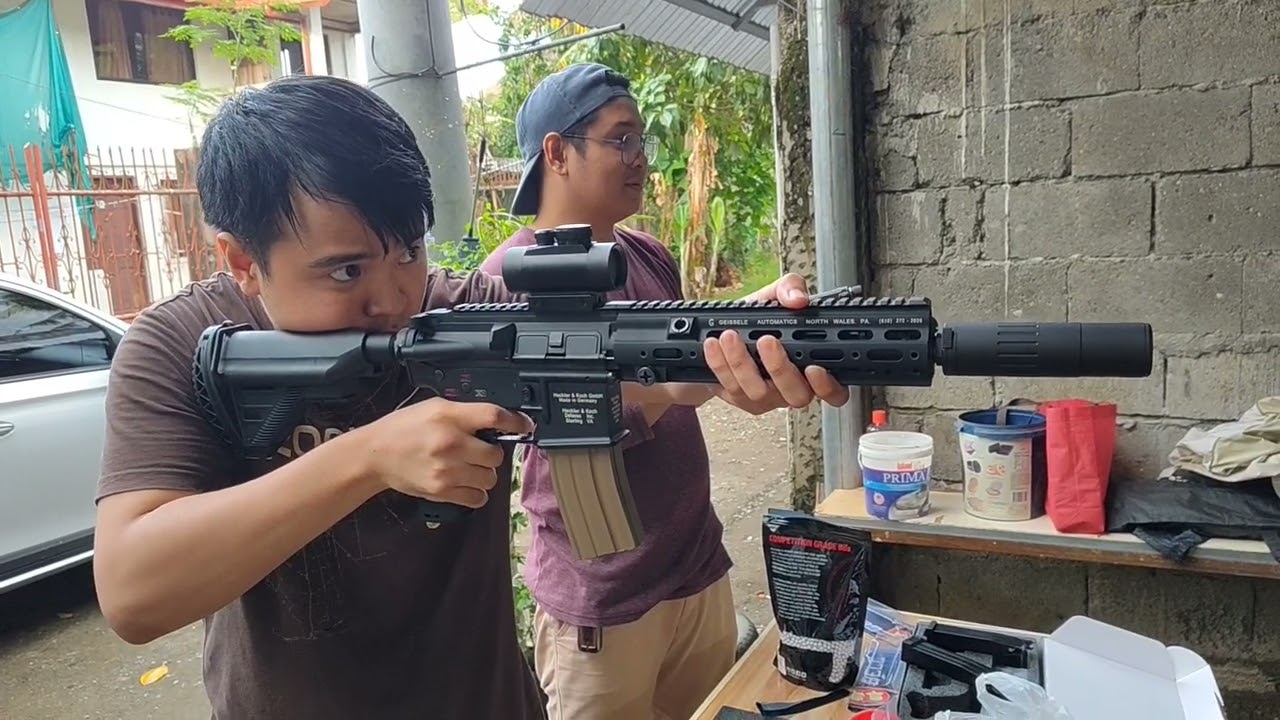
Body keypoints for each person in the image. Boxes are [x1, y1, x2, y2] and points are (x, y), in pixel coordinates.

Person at [90, 74, 849, 720]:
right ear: (241, 261)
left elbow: (625, 364)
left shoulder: (464, 312)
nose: (394, 298)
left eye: (409, 252)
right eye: (346, 271)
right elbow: (133, 592)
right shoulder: (180, 343)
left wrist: (737, 346)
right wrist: (368, 458)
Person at [479, 62, 754, 720]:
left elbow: (691, 360)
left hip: (696, 570)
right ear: (556, 153)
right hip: (600, 604)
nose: (640, 158)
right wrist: (663, 391)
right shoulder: (508, 279)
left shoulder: (649, 253)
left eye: (640, 140)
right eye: (621, 139)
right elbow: (525, 419)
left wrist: (751, 334)